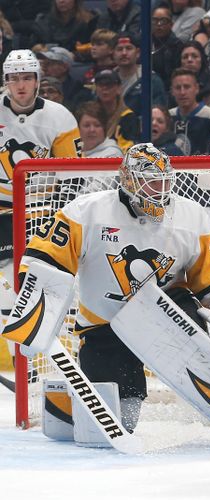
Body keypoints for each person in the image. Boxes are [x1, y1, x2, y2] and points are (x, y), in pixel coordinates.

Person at [18, 143, 210, 431]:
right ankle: (77, 404)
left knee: (200, 354)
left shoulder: (190, 215)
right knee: (120, 421)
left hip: (168, 319)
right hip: (105, 326)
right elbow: (44, 260)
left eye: (164, 182)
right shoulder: (86, 211)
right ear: (128, 179)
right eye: (150, 181)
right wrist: (35, 310)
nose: (159, 189)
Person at [0, 50, 81, 320]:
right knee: (8, 291)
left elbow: (73, 175)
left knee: (27, 284)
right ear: (5, 81)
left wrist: (57, 214)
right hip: (2, 209)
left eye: (26, 77)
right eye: (14, 78)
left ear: (37, 80)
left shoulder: (60, 117)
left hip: (40, 209)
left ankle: (30, 352)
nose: (20, 85)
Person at [112, 32, 168, 117]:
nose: (124, 53)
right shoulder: (106, 80)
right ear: (113, 54)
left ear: (138, 53)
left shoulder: (151, 80)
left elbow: (158, 113)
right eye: (119, 49)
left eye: (129, 48)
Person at [169, 68, 210, 155]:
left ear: (196, 88)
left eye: (187, 87)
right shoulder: (168, 116)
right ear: (172, 91)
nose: (182, 92)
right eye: (178, 88)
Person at [93, 68, 139, 152]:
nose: (104, 89)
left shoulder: (128, 117)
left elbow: (127, 148)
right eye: (100, 85)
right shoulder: (90, 115)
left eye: (109, 85)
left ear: (119, 88)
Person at [31, 0, 97, 53]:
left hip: (77, 63)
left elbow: (95, 49)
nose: (61, 1)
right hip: (47, 62)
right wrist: (37, 48)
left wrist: (77, 55)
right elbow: (33, 46)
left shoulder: (89, 21)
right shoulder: (43, 21)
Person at [152, 5, 183, 87]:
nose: (158, 24)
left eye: (163, 21)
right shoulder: (144, 42)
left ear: (171, 24)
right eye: (155, 20)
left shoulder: (177, 45)